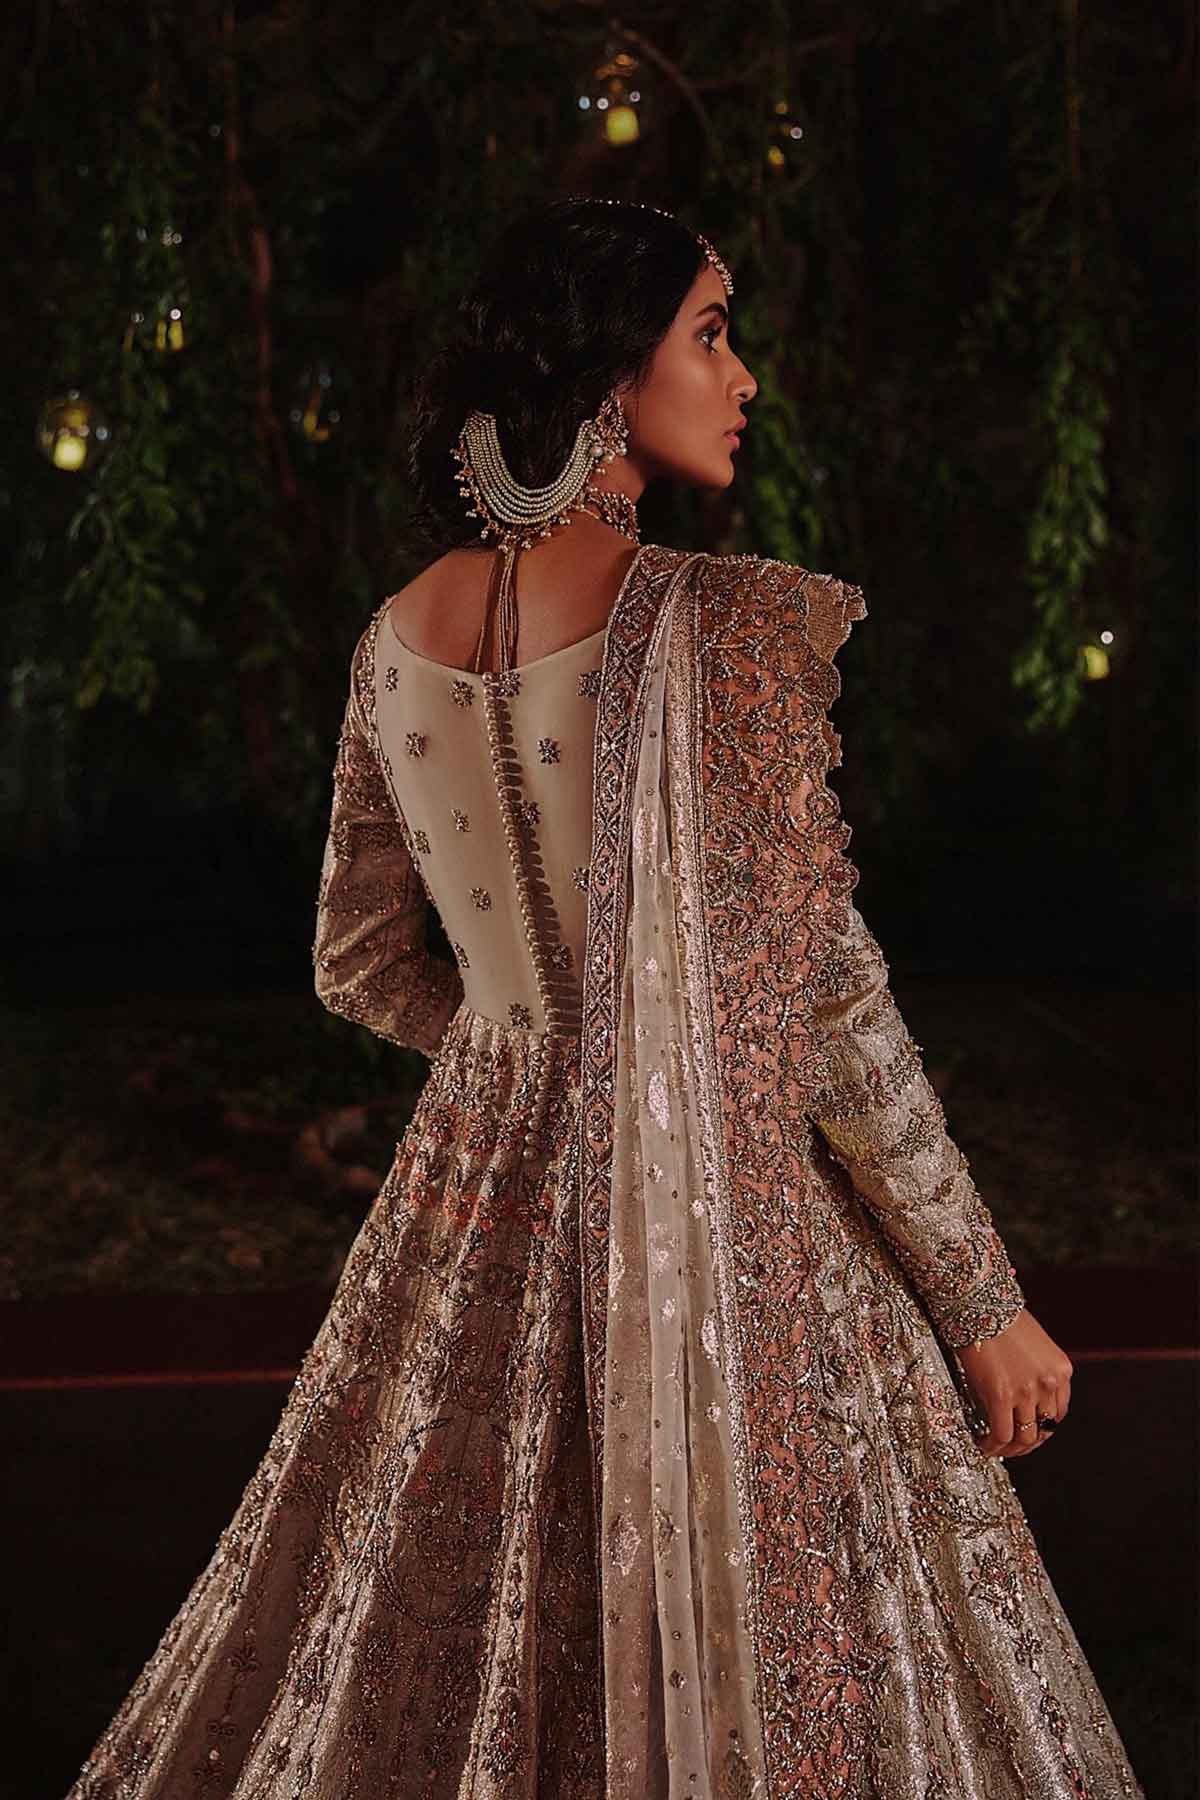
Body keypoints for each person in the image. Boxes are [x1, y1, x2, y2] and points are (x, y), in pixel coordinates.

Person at [66, 196, 1144, 1799]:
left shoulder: (391, 642)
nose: (745, 374)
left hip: (476, 1196)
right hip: (718, 1218)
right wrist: (983, 1302)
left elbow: (356, 962)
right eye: (709, 333)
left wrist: (520, 1060)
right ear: (602, 382)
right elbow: (830, 1012)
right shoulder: (727, 633)